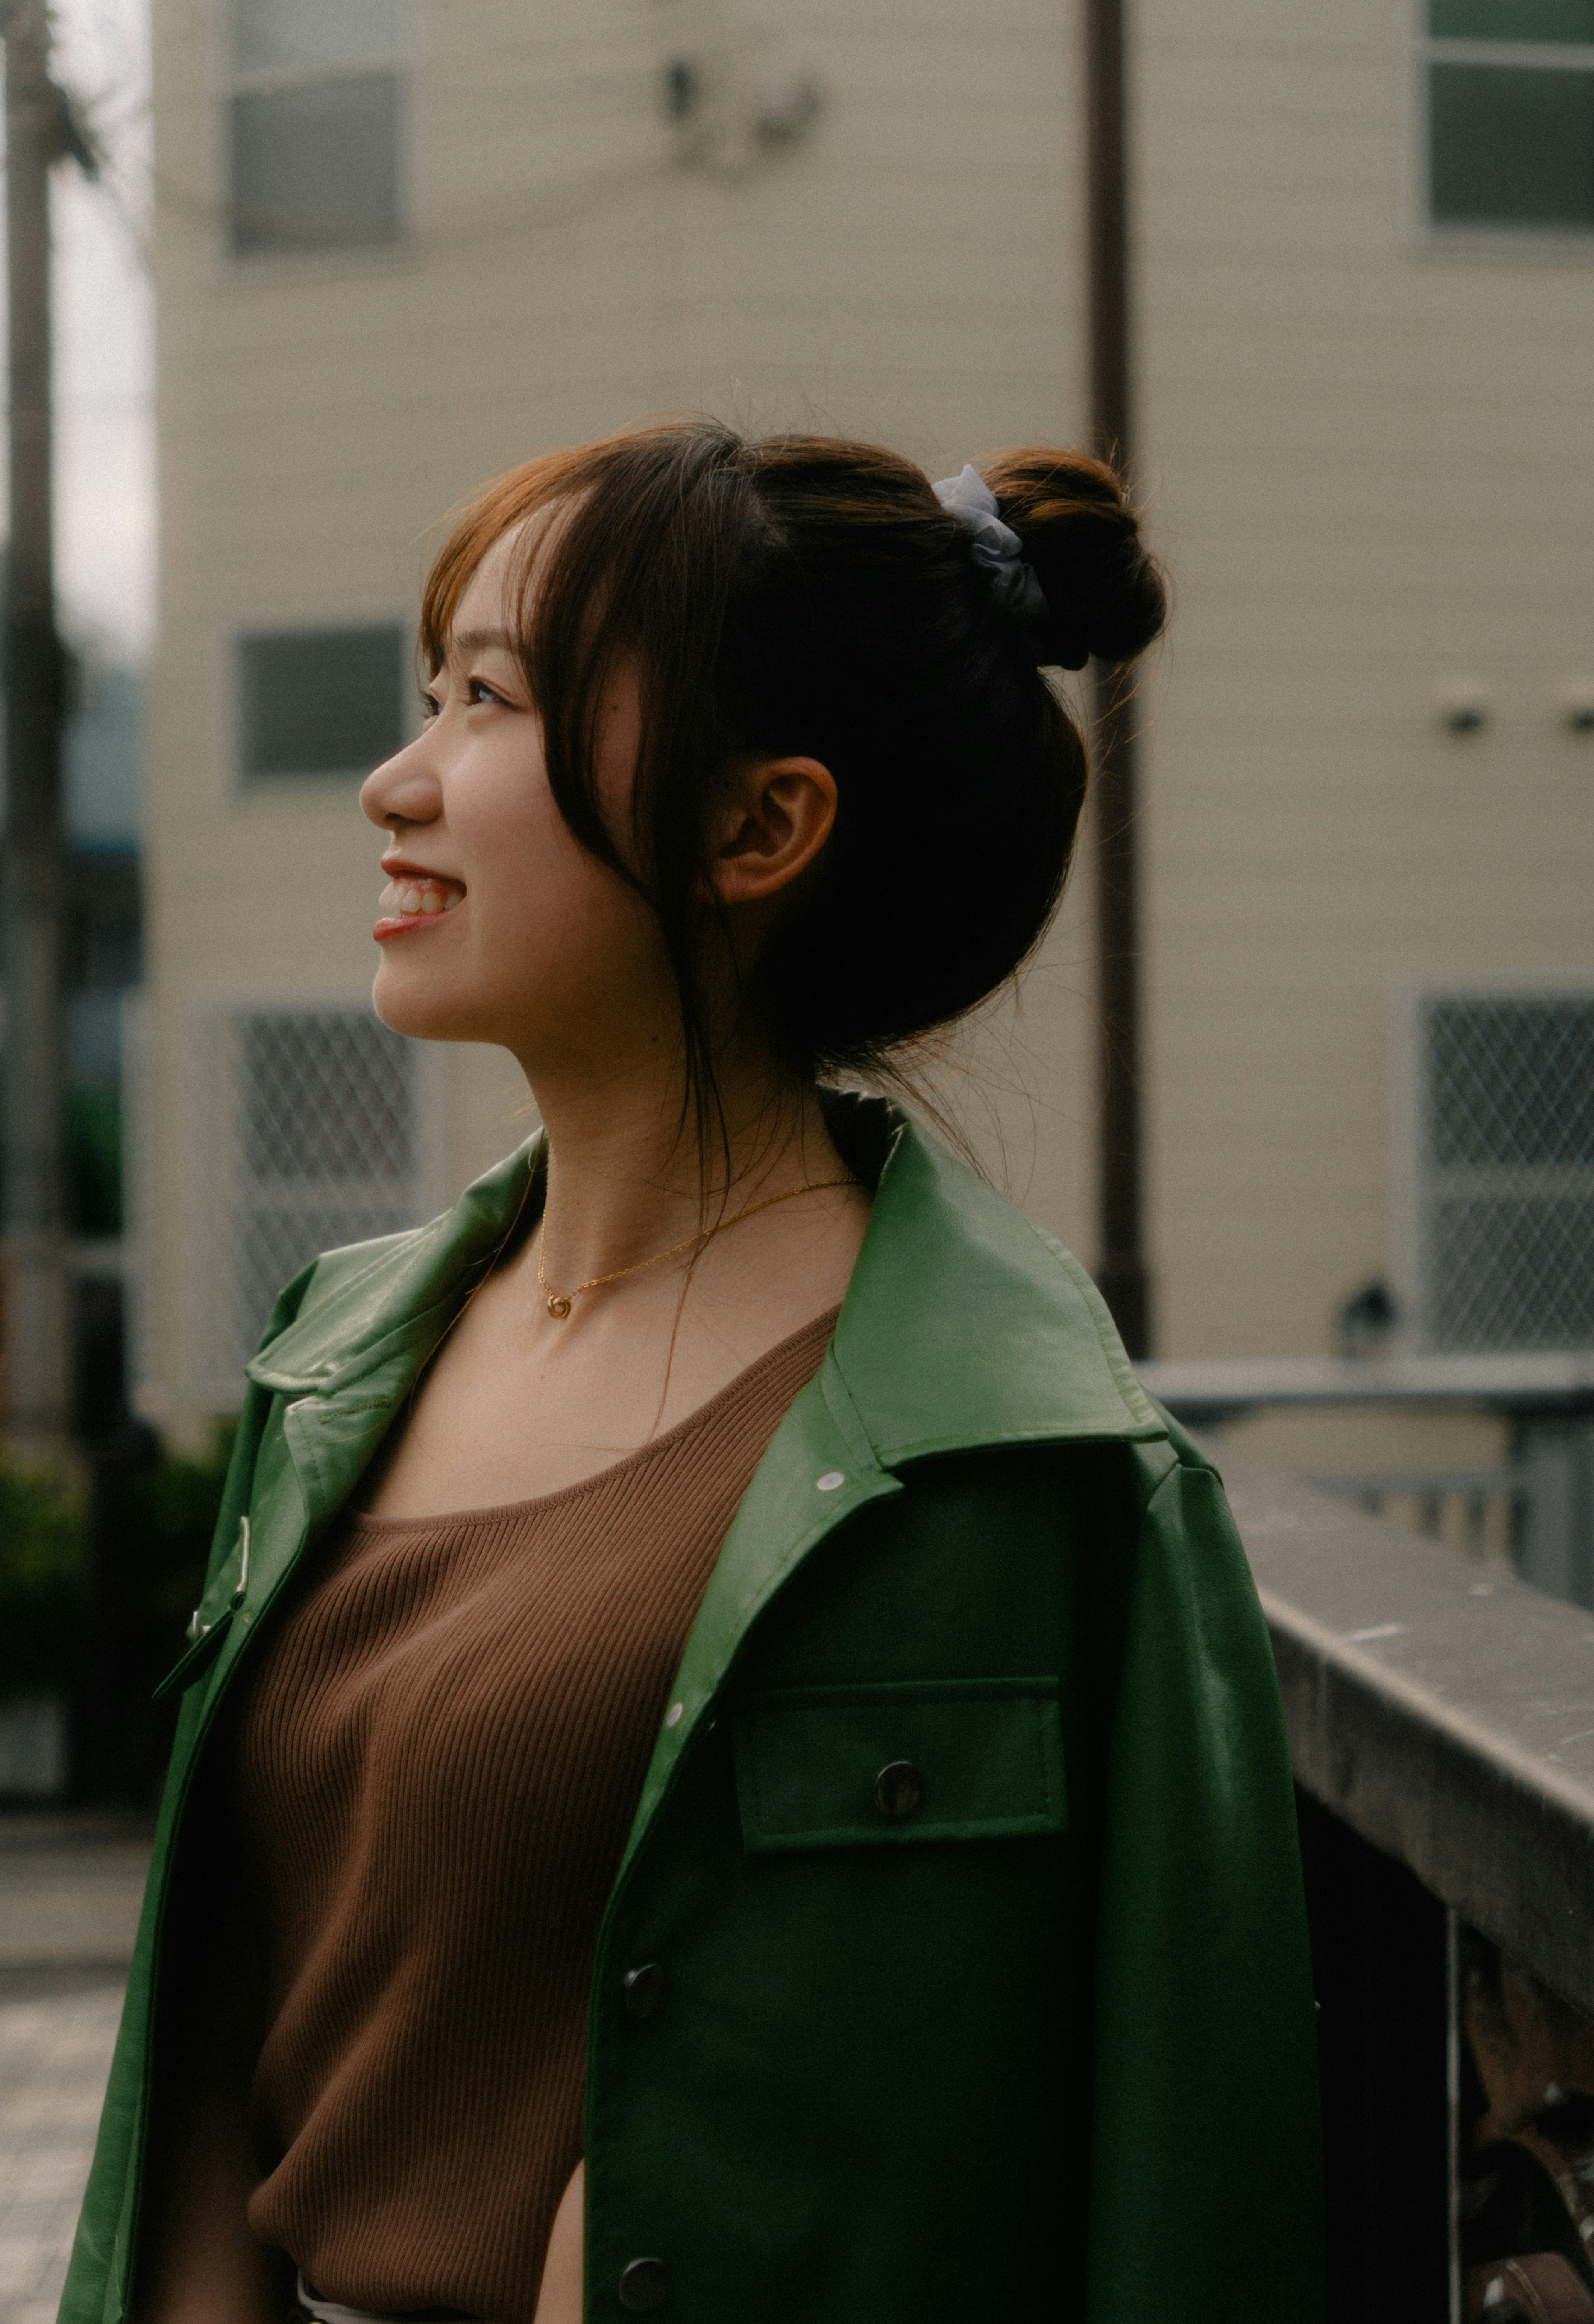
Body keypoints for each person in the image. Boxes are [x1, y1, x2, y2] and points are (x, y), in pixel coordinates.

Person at [62, 423, 1324, 2324]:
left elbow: (1182, 2186)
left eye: (489, 700)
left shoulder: (1030, 1470)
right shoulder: (334, 1361)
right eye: (433, 695)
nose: (396, 785)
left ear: (758, 829)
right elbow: (222, 2065)